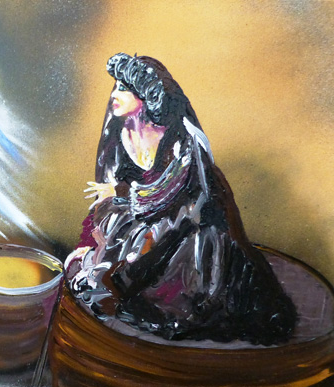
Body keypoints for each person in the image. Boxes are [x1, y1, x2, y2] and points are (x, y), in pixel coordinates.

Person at [67, 53, 296, 345]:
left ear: (146, 97)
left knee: (185, 258)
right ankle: (115, 275)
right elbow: (121, 181)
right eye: (116, 86)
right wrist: (116, 199)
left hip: (190, 218)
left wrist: (125, 195)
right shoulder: (122, 131)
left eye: (124, 88)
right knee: (117, 224)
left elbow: (181, 197)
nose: (115, 94)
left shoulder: (180, 139)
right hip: (147, 213)